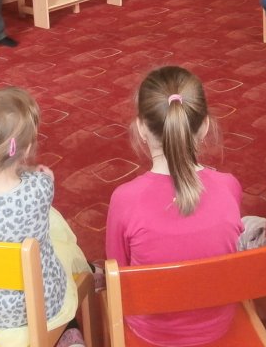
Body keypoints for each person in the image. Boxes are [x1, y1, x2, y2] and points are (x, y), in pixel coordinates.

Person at [105, 66, 244, 345]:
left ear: (141, 128)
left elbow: (117, 274)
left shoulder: (125, 200)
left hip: (152, 332)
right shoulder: (229, 186)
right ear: (205, 126)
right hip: (218, 324)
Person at [0, 87, 88, 338]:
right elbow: (33, 181)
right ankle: (69, 331)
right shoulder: (41, 187)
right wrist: (41, 176)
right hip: (40, 305)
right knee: (60, 246)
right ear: (27, 148)